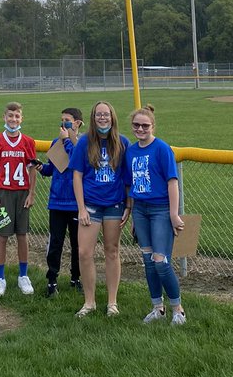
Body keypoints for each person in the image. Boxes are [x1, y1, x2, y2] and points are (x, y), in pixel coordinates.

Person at [124, 105, 186, 327]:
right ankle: (157, 308)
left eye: (145, 125)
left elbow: (172, 182)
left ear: (152, 126)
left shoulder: (161, 148)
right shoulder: (130, 151)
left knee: (161, 262)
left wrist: (173, 214)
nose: (140, 129)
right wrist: (131, 213)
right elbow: (130, 184)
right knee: (148, 262)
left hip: (160, 209)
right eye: (136, 125)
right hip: (141, 210)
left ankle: (177, 309)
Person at [69, 101, 130, 317]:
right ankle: (89, 302)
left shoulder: (122, 143)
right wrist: (81, 208)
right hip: (91, 205)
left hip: (114, 204)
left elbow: (127, 178)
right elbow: (76, 175)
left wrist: (128, 205)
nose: (102, 118)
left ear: (112, 117)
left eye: (106, 114)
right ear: (93, 118)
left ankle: (112, 302)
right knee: (85, 253)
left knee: (112, 251)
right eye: (98, 115)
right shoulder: (84, 142)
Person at [0, 101, 38, 297]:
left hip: (22, 192)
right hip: (4, 192)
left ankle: (23, 275)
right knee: (2, 235)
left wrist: (32, 193)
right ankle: (0, 278)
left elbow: (32, 168)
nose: (13, 119)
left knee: (22, 234)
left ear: (21, 118)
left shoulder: (28, 142)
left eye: (17, 116)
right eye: (10, 116)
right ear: (4, 117)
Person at [39, 107, 84, 297]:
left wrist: (66, 140)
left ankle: (76, 278)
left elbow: (75, 160)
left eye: (67, 120)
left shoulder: (82, 143)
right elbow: (55, 168)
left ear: (77, 123)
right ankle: (52, 280)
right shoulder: (56, 142)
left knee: (77, 244)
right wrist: (41, 168)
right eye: (62, 120)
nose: (63, 123)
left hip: (75, 204)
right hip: (57, 202)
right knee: (56, 243)